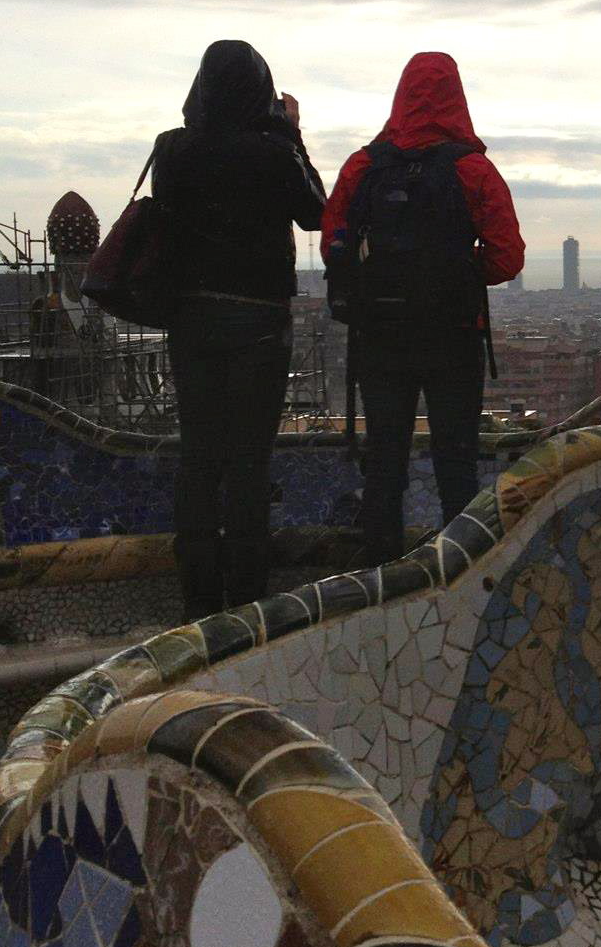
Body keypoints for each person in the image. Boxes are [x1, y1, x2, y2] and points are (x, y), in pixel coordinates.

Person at [322, 51, 524, 566]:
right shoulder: (472, 170)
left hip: (380, 334)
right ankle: (460, 573)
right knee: (455, 458)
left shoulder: (363, 167)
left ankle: (379, 575)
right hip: (452, 334)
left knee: (384, 457)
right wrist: (455, 272)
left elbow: (333, 246)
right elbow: (507, 257)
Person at [152, 40, 326, 616]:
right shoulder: (273, 151)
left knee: (199, 455)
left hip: (191, 317)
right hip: (257, 318)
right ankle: (248, 600)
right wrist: (291, 132)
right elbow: (316, 214)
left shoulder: (171, 150)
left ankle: (197, 600)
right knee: (249, 460)